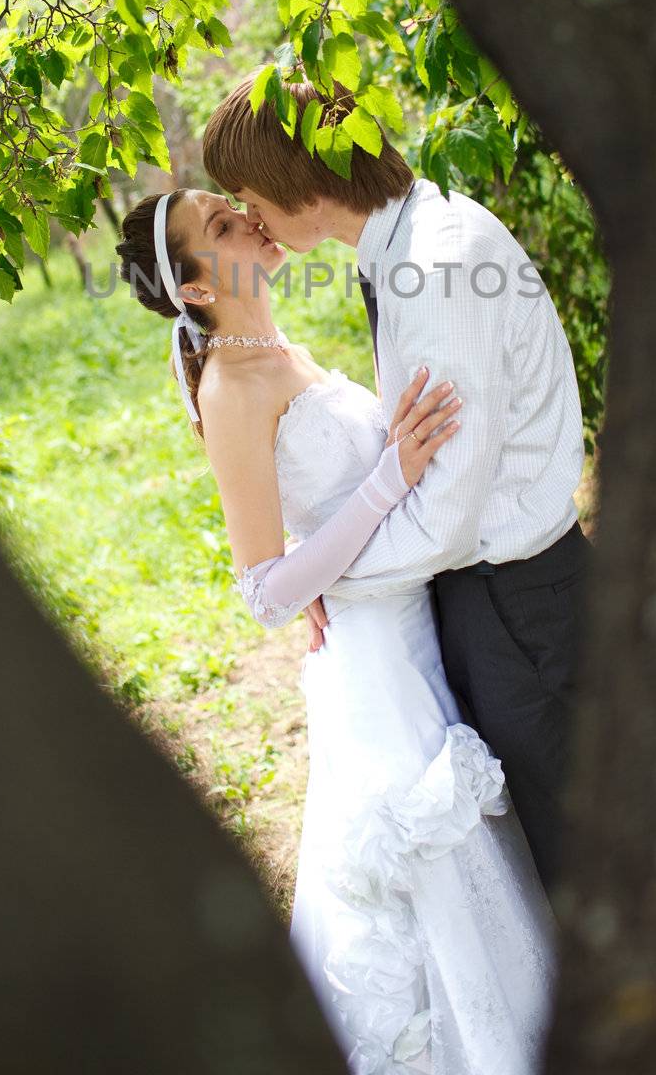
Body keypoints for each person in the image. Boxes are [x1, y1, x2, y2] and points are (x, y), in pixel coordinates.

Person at [115, 184, 557, 1075]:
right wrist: (389, 476)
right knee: (430, 870)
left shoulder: (283, 352)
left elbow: (328, 522)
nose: (246, 218)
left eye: (227, 203)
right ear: (198, 286)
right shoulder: (235, 386)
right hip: (375, 666)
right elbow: (267, 590)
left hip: (423, 625)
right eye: (219, 227)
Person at [201, 74, 591, 894]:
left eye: (245, 195)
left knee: (578, 845)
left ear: (296, 181)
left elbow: (445, 520)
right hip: (490, 599)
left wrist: (324, 583)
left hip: (516, 605)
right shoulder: (409, 242)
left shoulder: (436, 268)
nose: (249, 216)